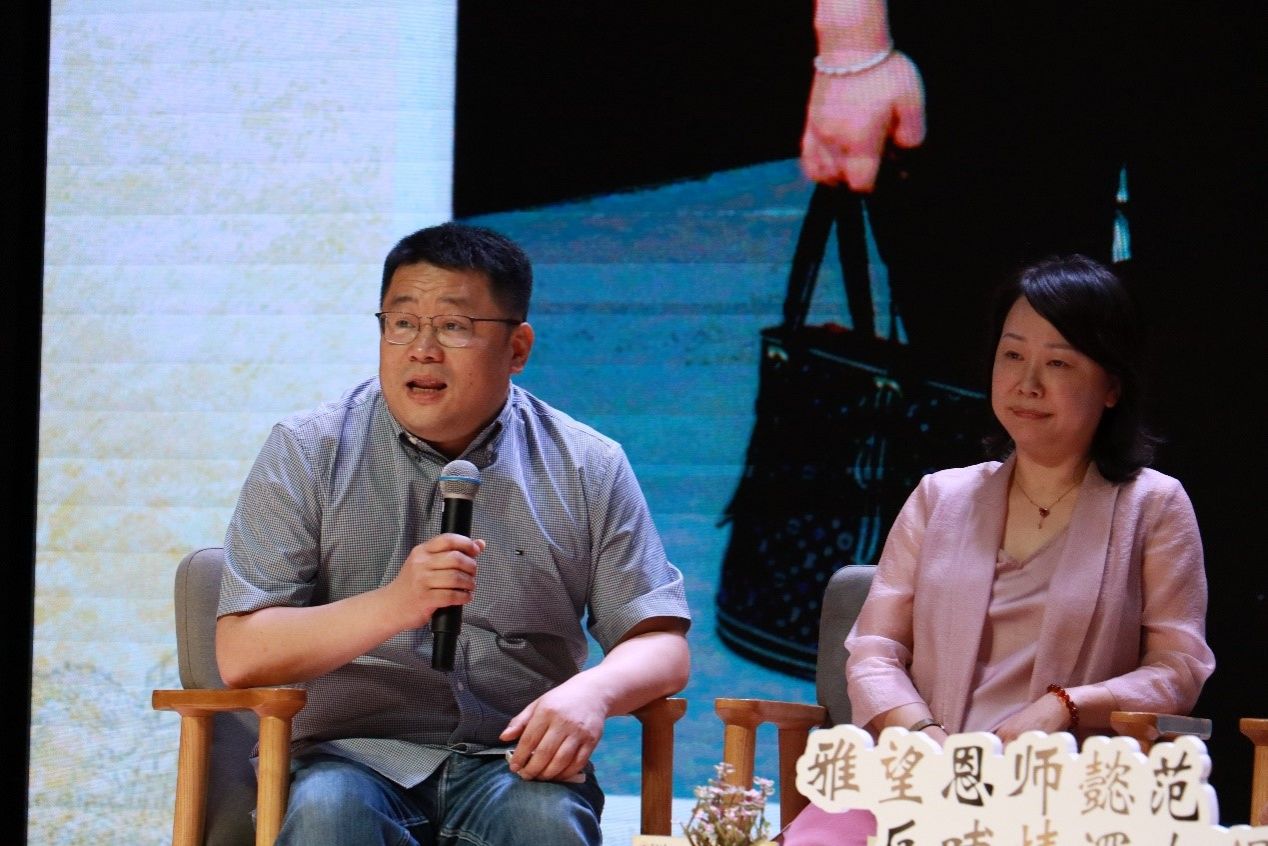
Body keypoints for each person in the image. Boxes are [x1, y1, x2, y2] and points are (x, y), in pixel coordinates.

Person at [215, 222, 692, 845]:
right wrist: (397, 604)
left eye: (454, 326)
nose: (422, 349)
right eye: (402, 323)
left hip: (512, 759)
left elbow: (660, 641)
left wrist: (593, 693)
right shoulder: (307, 450)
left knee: (545, 824)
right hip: (347, 756)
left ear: (517, 348)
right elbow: (243, 652)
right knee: (332, 812)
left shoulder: (587, 465)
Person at [779, 255, 1215, 844]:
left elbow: (1177, 670)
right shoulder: (939, 496)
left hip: (1058, 787)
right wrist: (925, 738)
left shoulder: (1154, 505)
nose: (1026, 383)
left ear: (1112, 385)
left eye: (1058, 362)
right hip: (917, 775)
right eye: (1012, 355)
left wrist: (1064, 706)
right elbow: (874, 652)